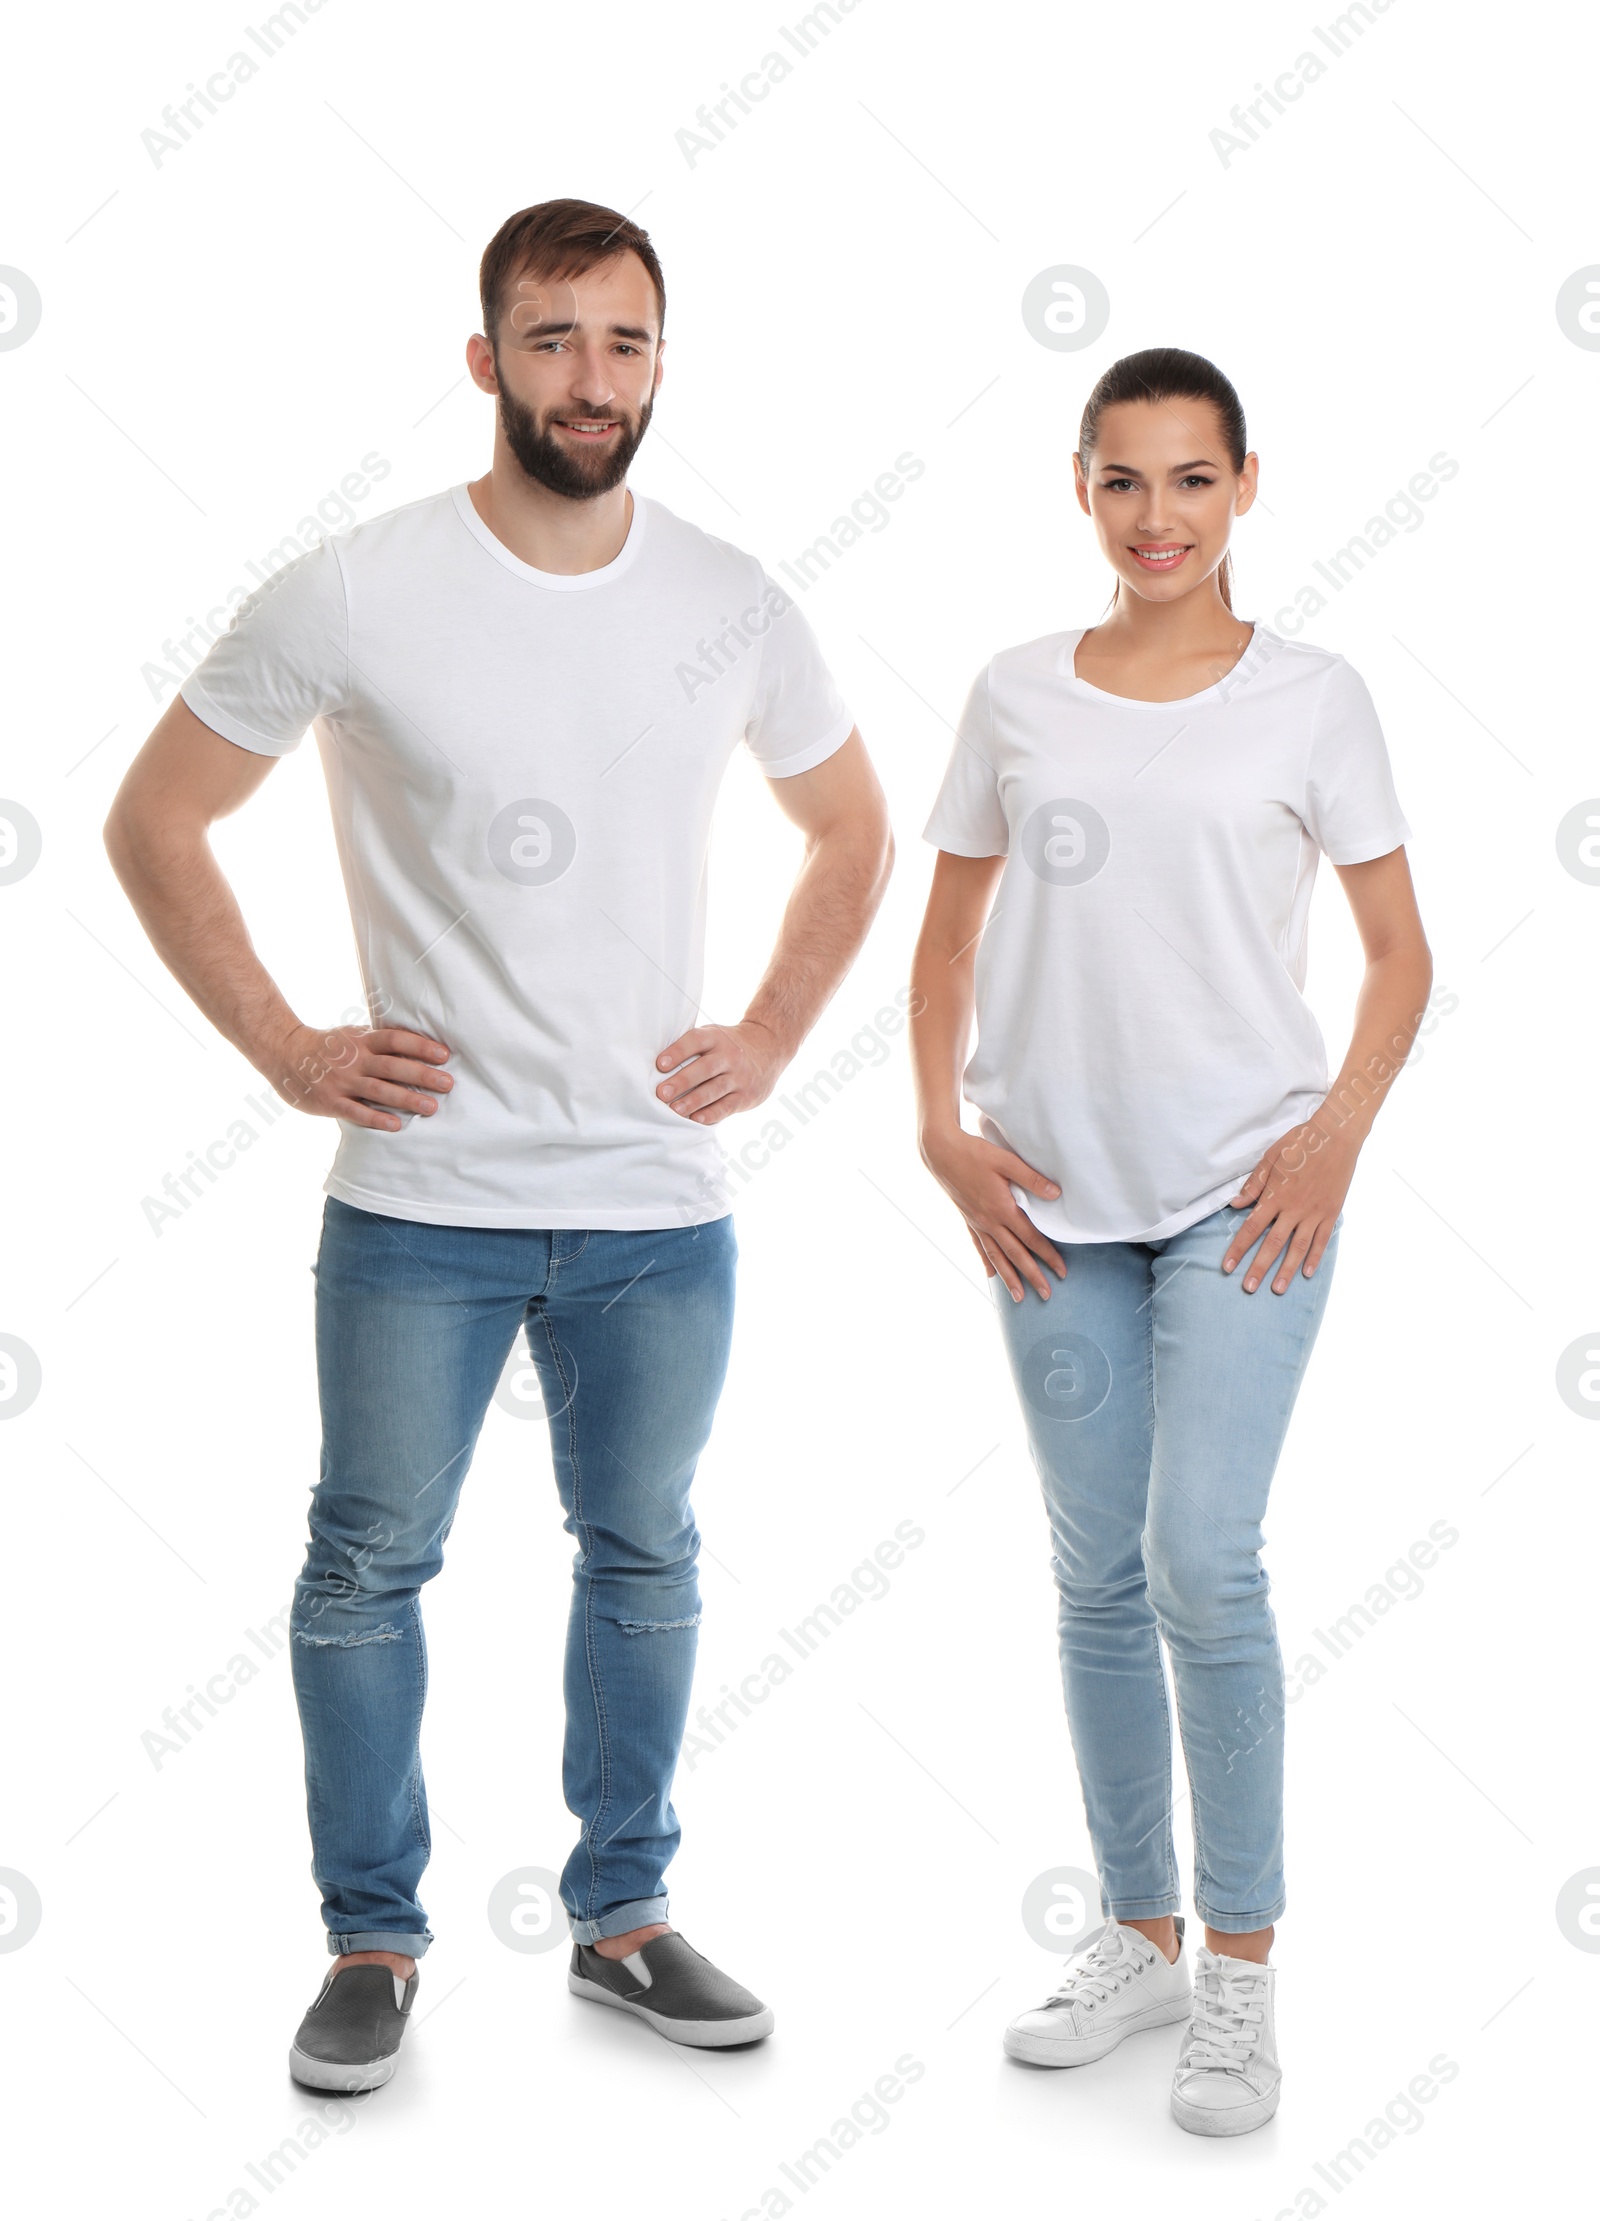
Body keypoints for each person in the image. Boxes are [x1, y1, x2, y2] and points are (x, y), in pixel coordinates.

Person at [104, 198, 892, 2091]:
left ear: (659, 365)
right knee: (366, 1566)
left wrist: (774, 1030)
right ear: (486, 362)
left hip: (652, 1203)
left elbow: (854, 833)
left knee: (644, 1554)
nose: (589, 378)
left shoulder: (733, 601)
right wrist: (294, 1048)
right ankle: (373, 1943)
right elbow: (154, 823)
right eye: (550, 339)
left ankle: (624, 1920)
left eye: (623, 342)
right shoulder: (357, 591)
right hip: (423, 1204)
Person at [908, 348, 1430, 2137]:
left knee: (1202, 1556)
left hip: (1239, 1194)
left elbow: (1402, 953)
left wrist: (1334, 1141)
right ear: (1079, 488)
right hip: (1051, 1205)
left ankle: (1245, 1980)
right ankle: (1138, 1935)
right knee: (1094, 1575)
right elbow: (942, 937)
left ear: (1247, 487)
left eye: (1191, 481)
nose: (1157, 518)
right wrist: (940, 1135)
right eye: (1123, 481)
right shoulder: (1012, 695)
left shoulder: (1314, 699)